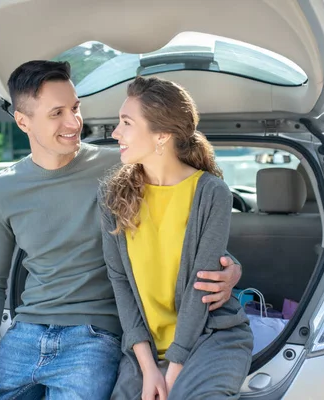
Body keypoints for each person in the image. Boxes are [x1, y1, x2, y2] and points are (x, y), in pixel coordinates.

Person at [0, 61, 243, 400]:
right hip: (25, 333)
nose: (73, 122)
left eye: (75, 108)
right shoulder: (1, 190)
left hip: (94, 336)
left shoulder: (122, 166)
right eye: (57, 113)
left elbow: (184, 220)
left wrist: (229, 267)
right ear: (22, 121)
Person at [99, 76, 253, 400]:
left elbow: (201, 285)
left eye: (126, 122)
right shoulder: (111, 196)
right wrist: (148, 367)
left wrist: (172, 372)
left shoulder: (211, 193)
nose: (115, 132)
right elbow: (120, 284)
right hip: (144, 349)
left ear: (162, 135)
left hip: (210, 338)